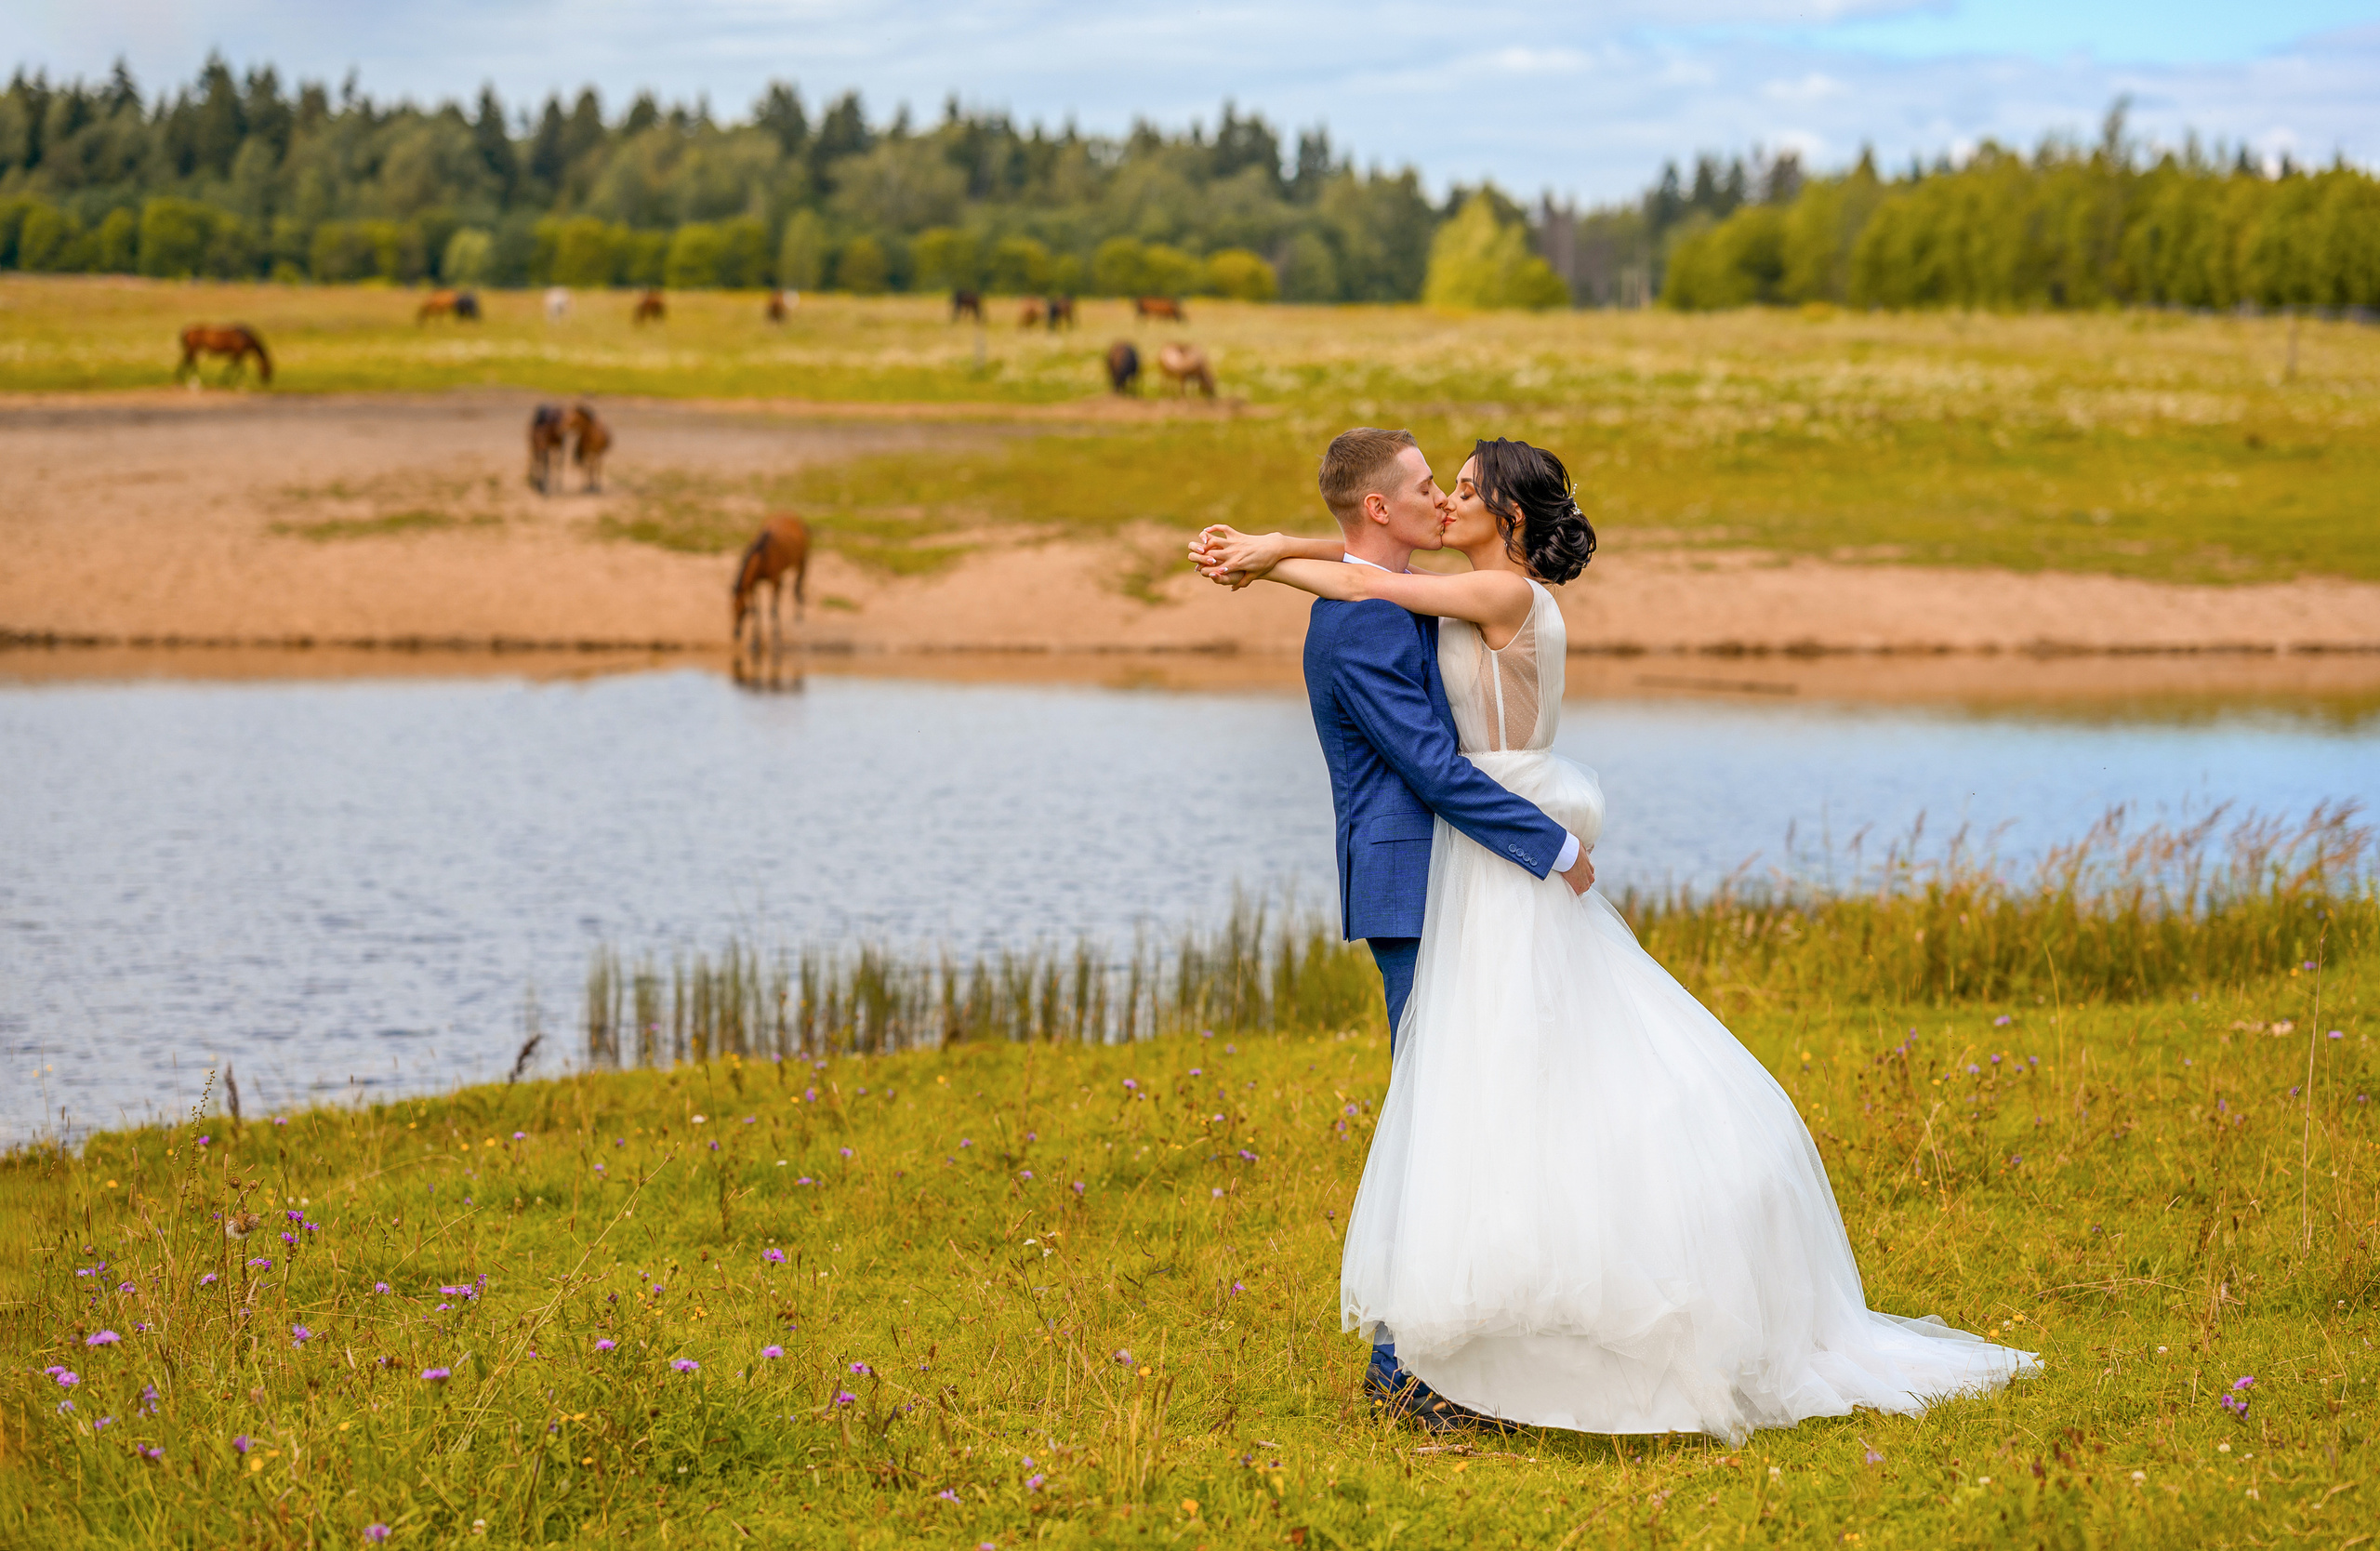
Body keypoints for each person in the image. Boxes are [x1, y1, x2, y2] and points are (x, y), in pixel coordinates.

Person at [1187, 434, 2036, 1441]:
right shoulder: (1377, 612)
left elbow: (1394, 629)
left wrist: (1267, 552)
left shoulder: (1467, 598)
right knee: (1455, 1104)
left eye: (1458, 487)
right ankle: (1420, 1364)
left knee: (1485, 1099)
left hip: (1490, 863)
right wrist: (1271, 551)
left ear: (1505, 515)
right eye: (1429, 486)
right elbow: (1399, 681)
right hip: (1439, 877)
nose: (1443, 498)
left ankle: (1432, 1365)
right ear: (1379, 508)